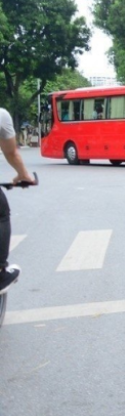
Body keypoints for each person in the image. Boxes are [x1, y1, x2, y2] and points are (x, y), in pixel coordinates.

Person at [0, 108, 37, 295]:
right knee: (1, 215)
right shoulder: (1, 115)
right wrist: (23, 175)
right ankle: (0, 272)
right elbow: (11, 153)